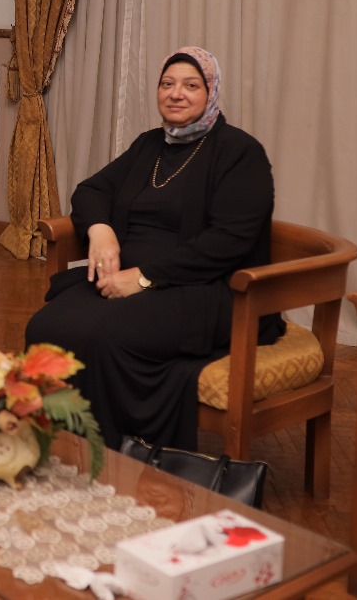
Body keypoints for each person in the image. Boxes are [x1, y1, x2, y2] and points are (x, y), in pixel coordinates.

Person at [23, 46, 281, 452]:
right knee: (45, 328)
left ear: (211, 92)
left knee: (105, 336)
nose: (176, 93)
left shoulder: (240, 153)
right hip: (125, 277)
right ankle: (56, 446)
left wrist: (146, 278)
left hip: (204, 288)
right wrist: (101, 231)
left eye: (191, 85)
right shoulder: (149, 146)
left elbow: (229, 240)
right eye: (167, 84)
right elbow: (91, 190)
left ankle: (115, 454)